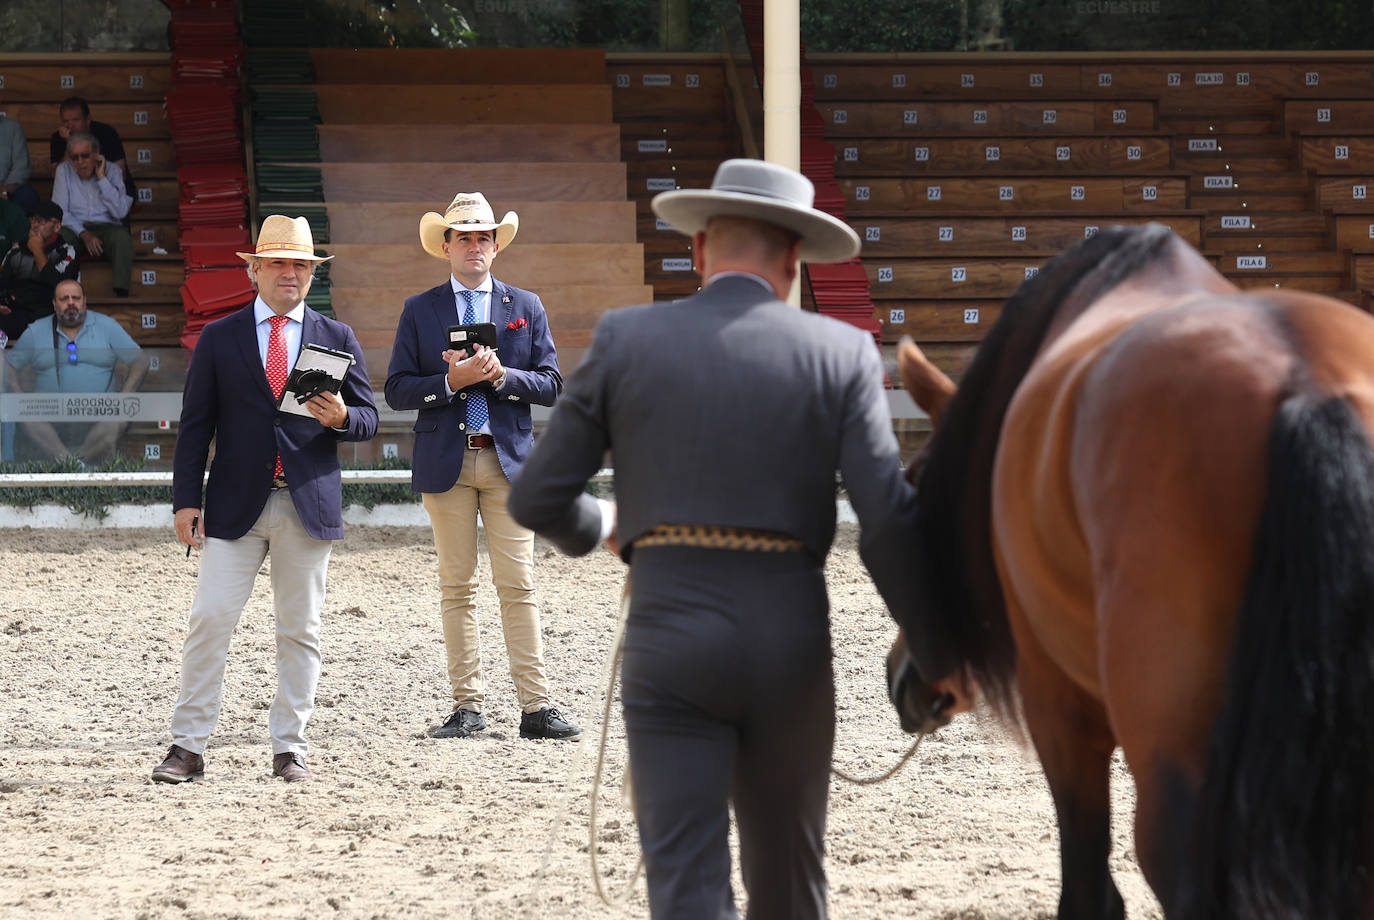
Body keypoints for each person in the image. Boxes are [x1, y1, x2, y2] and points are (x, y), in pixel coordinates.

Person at [507, 159, 955, 919]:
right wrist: (942, 654)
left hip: (668, 633)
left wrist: (610, 526)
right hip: (789, 639)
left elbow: (539, 496)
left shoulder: (626, 338)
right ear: (791, 261)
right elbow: (886, 526)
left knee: (685, 886)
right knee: (789, 884)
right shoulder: (841, 355)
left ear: (703, 251)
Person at [152, 215, 378, 784]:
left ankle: (289, 749)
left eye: (300, 265)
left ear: (312, 274)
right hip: (233, 505)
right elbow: (195, 425)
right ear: (253, 269)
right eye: (278, 262)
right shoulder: (220, 337)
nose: (290, 274)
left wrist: (345, 417)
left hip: (306, 501)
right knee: (209, 620)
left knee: (300, 629)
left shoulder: (338, 336)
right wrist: (185, 500)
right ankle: (188, 745)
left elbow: (369, 418)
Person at [384, 191, 581, 742]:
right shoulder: (419, 310)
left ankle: (536, 706)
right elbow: (397, 390)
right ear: (445, 246)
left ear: (496, 246)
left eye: (483, 237)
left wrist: (499, 377)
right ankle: (467, 706)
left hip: (507, 460)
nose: (475, 245)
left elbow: (551, 385)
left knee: (518, 585)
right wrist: (452, 383)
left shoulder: (526, 306)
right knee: (457, 586)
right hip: (449, 458)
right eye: (464, 237)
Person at [5, 278, 147, 462]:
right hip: (48, 414)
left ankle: (72, 465)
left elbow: (141, 360)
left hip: (101, 413)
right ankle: (72, 465)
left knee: (116, 422)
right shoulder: (36, 331)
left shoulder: (107, 326)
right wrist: (19, 398)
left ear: (84, 301)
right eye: (64, 299)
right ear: (54, 304)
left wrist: (125, 396)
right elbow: (7, 365)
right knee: (27, 418)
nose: (71, 303)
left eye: (76, 298)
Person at [51, 131, 133, 297]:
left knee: (122, 237)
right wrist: (85, 234)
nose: (80, 162)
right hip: (75, 228)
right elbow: (59, 212)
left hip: (108, 228)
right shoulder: (63, 170)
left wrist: (102, 178)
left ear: (97, 154)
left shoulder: (113, 170)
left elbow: (121, 211)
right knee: (61, 239)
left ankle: (121, 292)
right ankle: (64, 292)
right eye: (74, 157)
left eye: (85, 156)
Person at [0, 201, 81, 342]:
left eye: (41, 221)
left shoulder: (67, 252)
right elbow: (2, 284)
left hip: (50, 314)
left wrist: (37, 250)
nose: (35, 225)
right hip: (17, 313)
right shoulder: (16, 252)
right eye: (33, 220)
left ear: (57, 227)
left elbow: (61, 288)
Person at [49, 96, 136, 198]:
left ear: (88, 119)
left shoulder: (106, 133)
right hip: (76, 194)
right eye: (65, 121)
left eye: (75, 120)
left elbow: (121, 174)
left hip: (108, 190)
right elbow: (56, 175)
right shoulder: (58, 137)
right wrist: (70, 144)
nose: (70, 125)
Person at [0, 100, 37, 214]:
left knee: (28, 196)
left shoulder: (13, 128)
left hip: (7, 190)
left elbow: (21, 166)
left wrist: (4, 190)